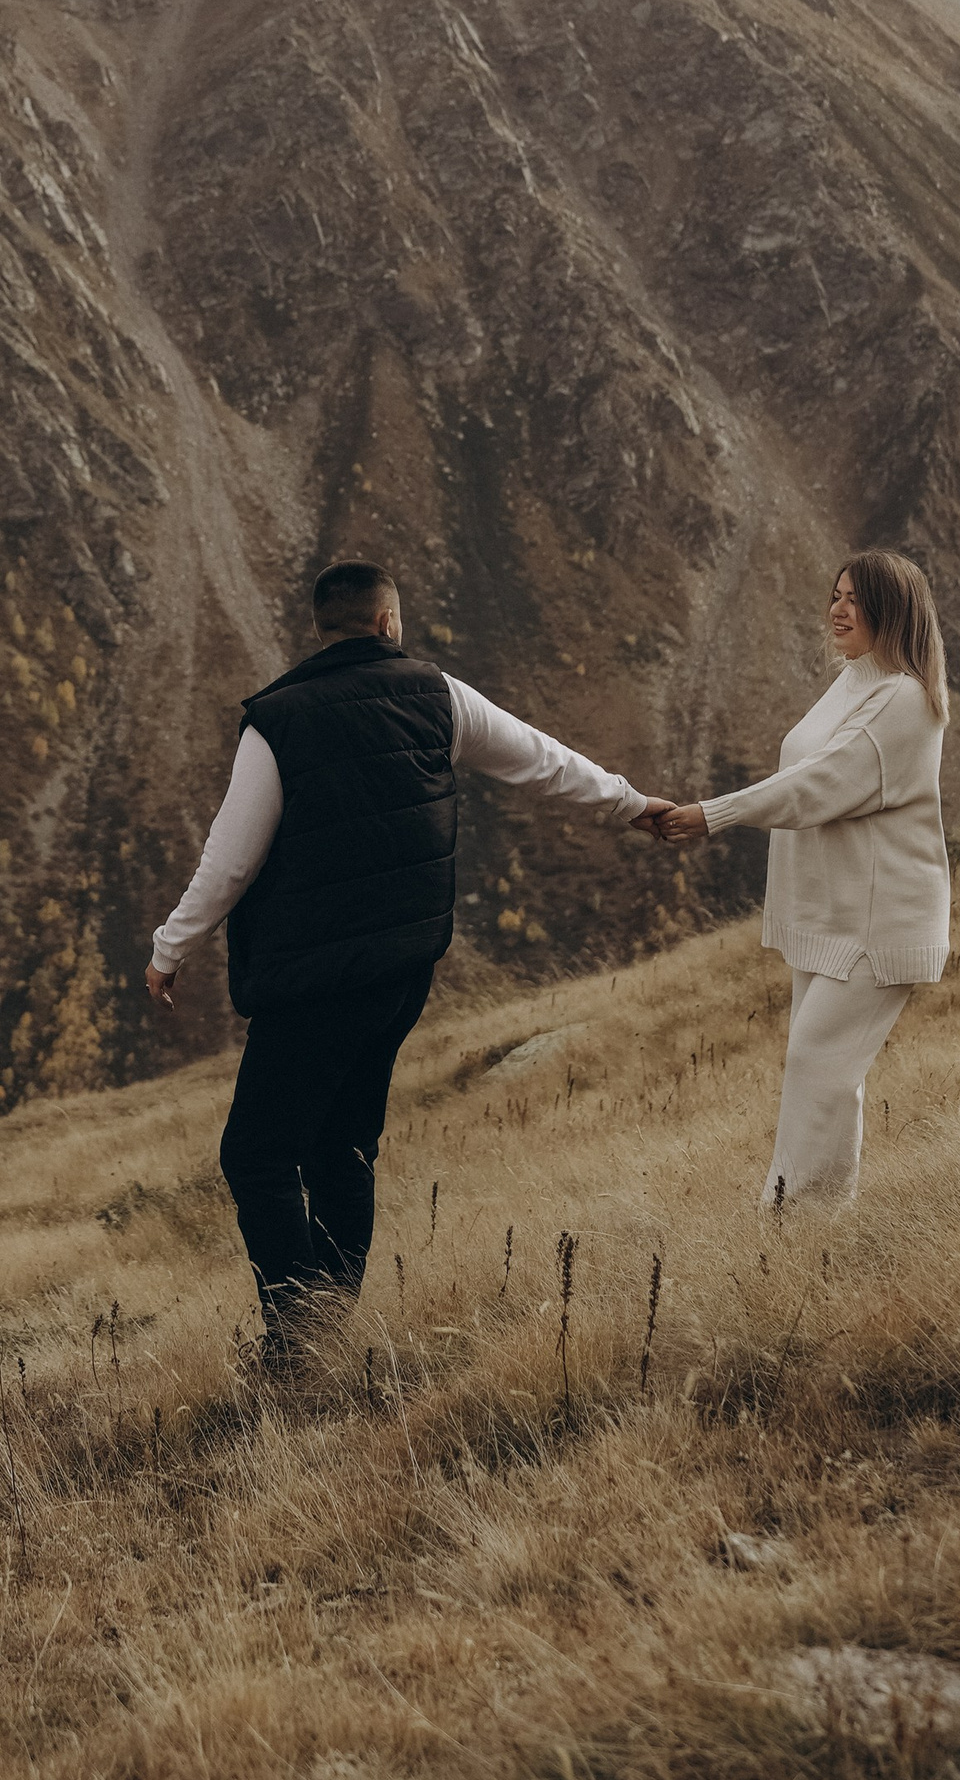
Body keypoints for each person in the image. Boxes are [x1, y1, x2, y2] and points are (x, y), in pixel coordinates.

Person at [146, 558, 670, 1368]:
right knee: (343, 1147)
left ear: (321, 629)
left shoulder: (277, 721)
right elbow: (543, 760)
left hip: (315, 980)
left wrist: (170, 947)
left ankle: (298, 1344)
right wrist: (633, 804)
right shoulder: (437, 693)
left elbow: (230, 861)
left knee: (255, 1155)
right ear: (389, 622)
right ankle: (325, 1328)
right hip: (402, 971)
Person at [657, 550, 951, 1207]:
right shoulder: (853, 680)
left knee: (817, 1067)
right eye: (836, 595)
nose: (839, 609)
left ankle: (791, 1232)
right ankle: (810, 1232)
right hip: (831, 918)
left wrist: (715, 814)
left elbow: (817, 786)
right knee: (819, 1073)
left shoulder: (904, 699)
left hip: (878, 925)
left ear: (893, 610)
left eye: (856, 598)